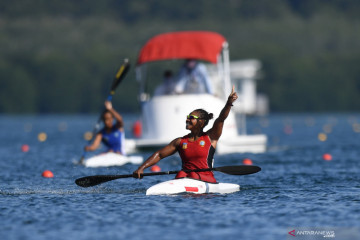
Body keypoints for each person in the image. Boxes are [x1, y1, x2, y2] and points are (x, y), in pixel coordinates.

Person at [133, 86, 238, 183]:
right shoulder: (180, 142)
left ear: (201, 122)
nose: (187, 119)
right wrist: (141, 168)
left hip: (206, 178)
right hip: (185, 177)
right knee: (182, 174)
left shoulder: (211, 137)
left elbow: (221, 119)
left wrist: (229, 103)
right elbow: (159, 154)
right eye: (188, 116)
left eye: (191, 118)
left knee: (191, 174)